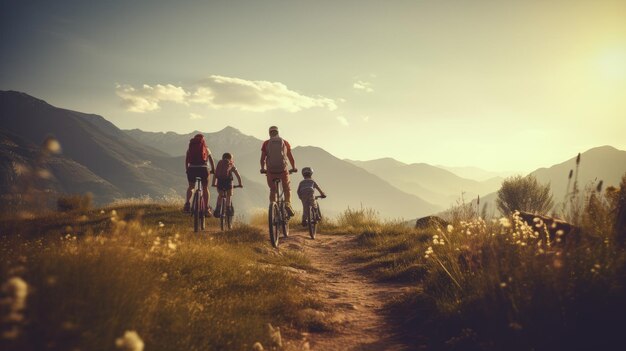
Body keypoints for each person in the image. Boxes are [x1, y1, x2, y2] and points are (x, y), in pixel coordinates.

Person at [260, 126, 297, 216]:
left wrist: (262, 168)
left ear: (269, 133)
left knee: (273, 190)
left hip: (271, 171)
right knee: (286, 188)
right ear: (278, 132)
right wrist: (294, 167)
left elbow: (262, 159)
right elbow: (290, 157)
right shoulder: (285, 142)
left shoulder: (266, 143)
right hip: (282, 170)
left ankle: (273, 207)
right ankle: (287, 204)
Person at [183, 133, 215, 215]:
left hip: (192, 169)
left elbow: (187, 160)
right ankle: (206, 208)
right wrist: (213, 170)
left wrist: (187, 169)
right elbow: (211, 160)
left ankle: (187, 204)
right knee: (205, 188)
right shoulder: (206, 148)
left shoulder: (190, 148)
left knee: (191, 187)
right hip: (203, 169)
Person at [212, 152, 243, 217]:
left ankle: (218, 209)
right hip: (228, 183)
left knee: (220, 195)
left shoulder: (219, 164)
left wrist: (214, 183)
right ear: (230, 159)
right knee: (229, 195)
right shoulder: (231, 165)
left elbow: (215, 175)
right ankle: (228, 208)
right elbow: (238, 175)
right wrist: (240, 184)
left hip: (220, 182)